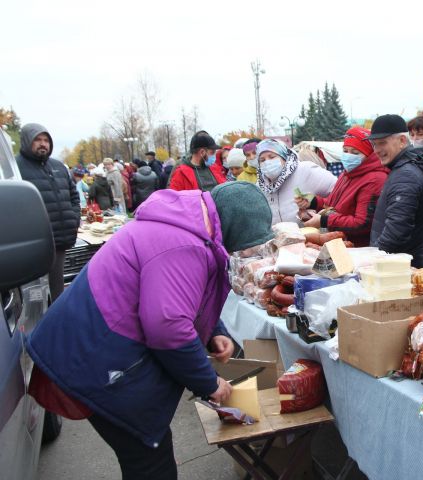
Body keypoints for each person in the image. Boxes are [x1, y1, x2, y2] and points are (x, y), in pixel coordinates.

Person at [26, 182, 274, 480]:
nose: (245, 250)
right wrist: (210, 383)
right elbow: (167, 327)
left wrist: (212, 331)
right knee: (150, 464)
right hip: (96, 356)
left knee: (148, 458)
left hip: (94, 347)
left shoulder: (188, 226)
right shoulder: (185, 244)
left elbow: (180, 297)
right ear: (234, 225)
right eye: (248, 242)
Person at [15, 123, 80, 301]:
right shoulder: (16, 168)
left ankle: (58, 321)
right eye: (38, 139)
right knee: (34, 294)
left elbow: (74, 196)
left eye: (46, 140)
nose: (43, 144)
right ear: (27, 141)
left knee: (57, 286)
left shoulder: (58, 166)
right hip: (33, 243)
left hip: (59, 239)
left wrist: (74, 219)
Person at [296, 126, 388, 247]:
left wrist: (324, 220)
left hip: (360, 249)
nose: (349, 156)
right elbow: (331, 205)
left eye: (355, 153)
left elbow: (361, 223)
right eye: (345, 151)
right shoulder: (347, 174)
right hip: (340, 243)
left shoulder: (374, 180)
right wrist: (312, 202)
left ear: (369, 154)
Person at [369, 114, 423, 268]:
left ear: (402, 141)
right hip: (404, 266)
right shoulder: (408, 168)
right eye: (374, 144)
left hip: (397, 270)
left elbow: (396, 231)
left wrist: (371, 261)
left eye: (382, 143)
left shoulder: (405, 175)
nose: (377, 150)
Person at [256, 139, 337, 224]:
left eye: (272, 157)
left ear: (284, 157)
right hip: (278, 236)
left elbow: (340, 192)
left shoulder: (305, 171)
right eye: (262, 160)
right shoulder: (260, 186)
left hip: (310, 234)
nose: (267, 162)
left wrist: (316, 203)